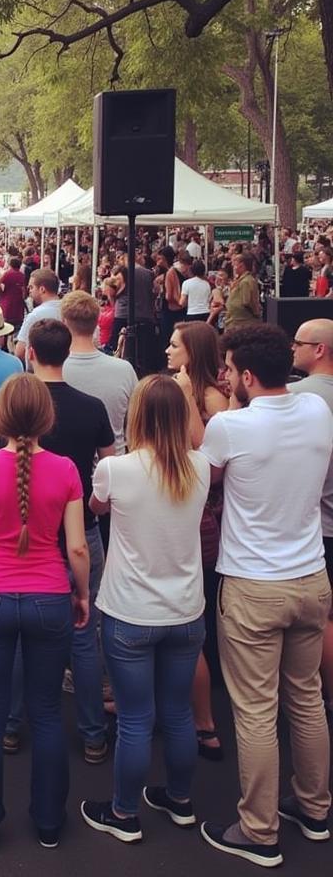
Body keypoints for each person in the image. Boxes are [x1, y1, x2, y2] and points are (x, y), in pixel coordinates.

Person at [198, 323, 333, 866]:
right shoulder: (318, 412)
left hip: (254, 584)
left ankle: (259, 829)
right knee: (305, 698)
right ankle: (315, 808)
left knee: (255, 711)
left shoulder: (231, 426)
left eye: (231, 371)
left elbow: (201, 486)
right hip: (311, 576)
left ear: (247, 375)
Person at [0, 373, 90, 852]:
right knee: (48, 712)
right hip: (50, 597)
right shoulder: (68, 470)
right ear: (47, 418)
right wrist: (83, 594)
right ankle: (49, 821)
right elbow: (76, 548)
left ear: (0, 417)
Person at [80, 375, 210, 843]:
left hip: (130, 610)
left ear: (137, 416)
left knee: (135, 718)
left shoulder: (118, 470)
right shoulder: (200, 467)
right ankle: (179, 799)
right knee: (177, 714)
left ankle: (124, 812)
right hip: (186, 610)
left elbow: (95, 509)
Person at [18, 320, 113, 764]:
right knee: (83, 634)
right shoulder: (91, 406)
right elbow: (107, 470)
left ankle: (13, 727)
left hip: (25, 534)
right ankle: (93, 733)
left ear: (31, 353)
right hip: (80, 531)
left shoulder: (19, 404)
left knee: (20, 637)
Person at [165, 321, 229, 762]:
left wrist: (186, 397)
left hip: (203, 518)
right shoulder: (185, 388)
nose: (167, 351)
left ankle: (201, 714)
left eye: (174, 346)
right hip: (181, 511)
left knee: (196, 609)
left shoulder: (210, 399)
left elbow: (207, 460)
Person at [289, 318, 333, 721]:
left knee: (323, 623)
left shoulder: (296, 397)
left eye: (298, 343)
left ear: (319, 350)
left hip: (316, 529)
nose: (293, 349)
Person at [60, 291, 138, 453]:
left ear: (64, 322)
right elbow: (136, 422)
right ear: (97, 322)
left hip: (68, 466)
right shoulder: (124, 369)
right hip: (114, 465)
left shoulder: (53, 369)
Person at [13, 268, 62, 362]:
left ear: (42, 289)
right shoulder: (68, 310)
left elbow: (19, 351)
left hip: (40, 368)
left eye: (31, 287)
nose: (29, 291)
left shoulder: (35, 316)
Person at [223, 253, 262, 331]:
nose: (233, 266)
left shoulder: (246, 281)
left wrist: (256, 312)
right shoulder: (242, 280)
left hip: (242, 322)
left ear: (241, 265)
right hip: (235, 321)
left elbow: (247, 301)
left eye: (235, 263)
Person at [0, 257, 27, 333]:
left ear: (10, 265)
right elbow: (24, 289)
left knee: (5, 327)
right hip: (18, 303)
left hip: (7, 302)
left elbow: (0, 285)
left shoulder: (7, 274)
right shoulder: (22, 275)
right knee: (17, 327)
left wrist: (1, 294)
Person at [179, 259, 212, 323]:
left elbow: (182, 302)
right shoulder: (206, 284)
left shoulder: (186, 283)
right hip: (206, 313)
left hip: (192, 314)